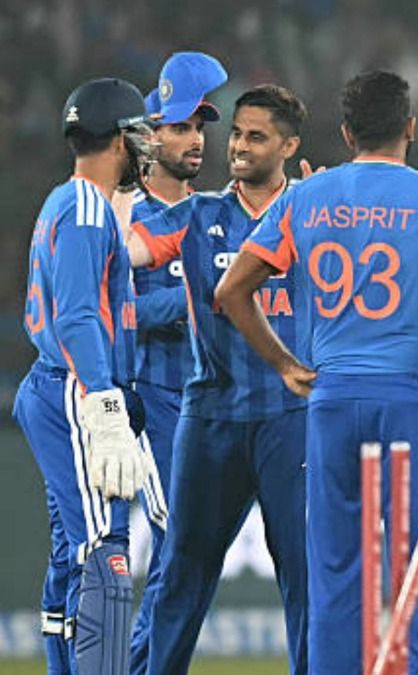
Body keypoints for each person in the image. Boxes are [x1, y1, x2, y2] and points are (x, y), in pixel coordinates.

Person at [215, 70, 418, 674]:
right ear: (411, 128)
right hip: (412, 399)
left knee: (333, 569)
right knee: (417, 563)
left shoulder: (304, 198)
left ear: (347, 133)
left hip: (331, 400)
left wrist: (284, 364)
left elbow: (231, 290)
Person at [124, 84, 309, 675]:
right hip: (210, 420)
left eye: (256, 137)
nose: (238, 146)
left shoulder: (313, 213)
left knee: (304, 573)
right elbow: (123, 253)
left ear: (288, 146)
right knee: (182, 571)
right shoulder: (197, 215)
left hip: (292, 419)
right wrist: (102, 200)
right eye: (236, 134)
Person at [15, 77, 154, 675]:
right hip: (74, 389)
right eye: (140, 135)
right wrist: (105, 404)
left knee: (71, 554)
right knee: (105, 553)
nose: (146, 147)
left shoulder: (63, 200)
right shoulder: (90, 208)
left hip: (54, 385)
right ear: (119, 140)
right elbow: (76, 315)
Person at [124, 51, 227, 675]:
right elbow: (113, 311)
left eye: (199, 127)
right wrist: (193, 298)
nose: (195, 140)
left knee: (191, 555)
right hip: (150, 397)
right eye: (180, 127)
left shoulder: (210, 214)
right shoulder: (127, 216)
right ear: (150, 136)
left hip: (205, 400)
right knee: (177, 547)